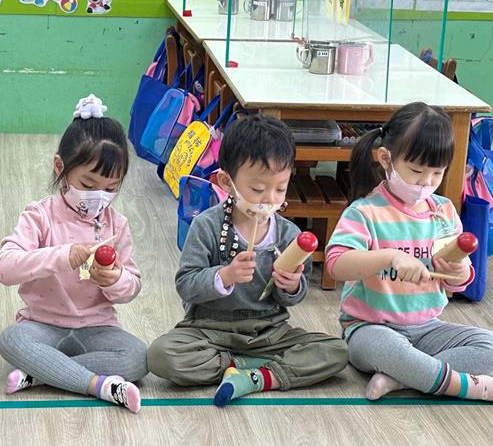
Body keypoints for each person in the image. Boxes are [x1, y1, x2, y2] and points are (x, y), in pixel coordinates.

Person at [326, 102, 493, 411]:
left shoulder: (444, 211)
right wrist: (389, 257)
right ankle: (481, 389)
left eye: (437, 173)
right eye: (416, 171)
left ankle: (401, 378)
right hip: (369, 328)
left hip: (427, 328)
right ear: (386, 159)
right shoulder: (365, 211)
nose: (426, 182)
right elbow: (336, 265)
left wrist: (459, 273)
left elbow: (458, 281)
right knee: (390, 350)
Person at [148, 114, 348, 406]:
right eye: (257, 189)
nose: (269, 199)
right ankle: (251, 367)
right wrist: (224, 276)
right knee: (161, 356)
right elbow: (186, 284)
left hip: (269, 331)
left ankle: (255, 377)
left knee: (337, 351)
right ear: (226, 182)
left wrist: (292, 286)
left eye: (280, 189)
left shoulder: (288, 234)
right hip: (210, 329)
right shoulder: (207, 225)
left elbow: (294, 296)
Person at [0, 95, 147, 413]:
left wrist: (115, 279)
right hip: (42, 325)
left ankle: (43, 374)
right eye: (88, 184)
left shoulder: (117, 224)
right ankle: (98, 386)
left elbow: (132, 287)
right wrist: (63, 255)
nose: (99, 196)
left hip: (97, 328)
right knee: (11, 340)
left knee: (138, 358)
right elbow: (4, 268)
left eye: (111, 188)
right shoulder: (40, 215)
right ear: (60, 167)